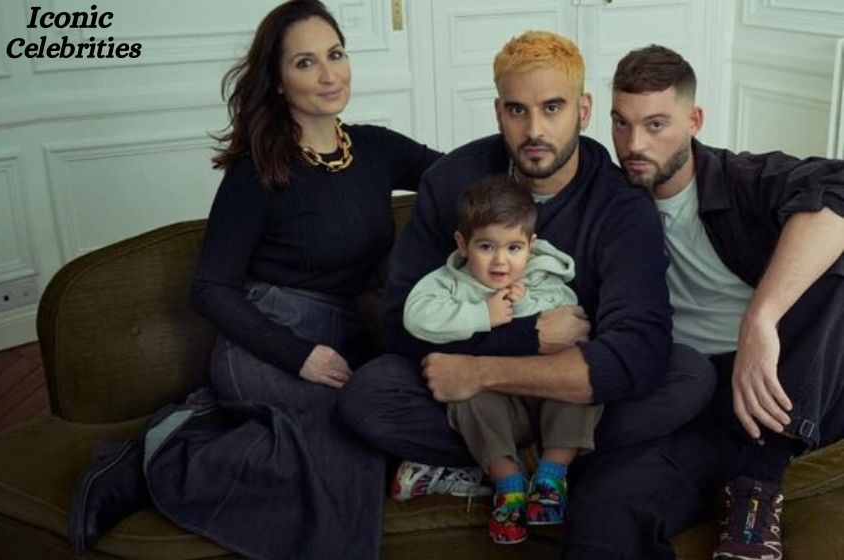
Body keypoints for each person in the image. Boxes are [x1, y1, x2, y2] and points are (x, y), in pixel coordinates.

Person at [67, 2, 440, 559]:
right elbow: (211, 288)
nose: (329, 74)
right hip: (267, 338)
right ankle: (145, 467)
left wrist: (543, 150)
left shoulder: (376, 148)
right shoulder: (260, 168)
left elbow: (459, 172)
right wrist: (300, 357)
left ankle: (188, 431)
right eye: (306, 63)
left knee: (374, 423)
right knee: (343, 440)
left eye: (335, 55)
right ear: (279, 81)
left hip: (344, 336)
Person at [337, 29, 716, 520]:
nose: (535, 129)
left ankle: (502, 467)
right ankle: (547, 467)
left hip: (571, 393)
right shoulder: (452, 182)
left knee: (688, 375)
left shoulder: (620, 204)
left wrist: (478, 370)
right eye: (518, 110)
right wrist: (526, 337)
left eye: (552, 108)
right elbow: (399, 324)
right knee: (368, 396)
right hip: (487, 399)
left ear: (582, 110)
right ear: (499, 113)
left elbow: (638, 349)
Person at [561, 44, 844, 560]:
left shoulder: (740, 181)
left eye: (655, 125)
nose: (633, 144)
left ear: (693, 120)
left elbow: (839, 189)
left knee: (833, 268)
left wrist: (761, 318)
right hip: (688, 395)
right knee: (603, 506)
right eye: (621, 124)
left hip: (782, 383)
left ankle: (759, 486)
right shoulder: (607, 206)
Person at [403, 174, 602, 544]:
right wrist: (483, 315)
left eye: (513, 248)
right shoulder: (448, 284)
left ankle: (551, 473)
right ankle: (507, 481)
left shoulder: (542, 276)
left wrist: (525, 303)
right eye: (486, 247)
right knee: (466, 396)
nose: (500, 261)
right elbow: (416, 317)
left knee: (584, 377)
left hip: (546, 394)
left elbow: (572, 321)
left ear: (531, 245)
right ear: (463, 244)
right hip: (496, 404)